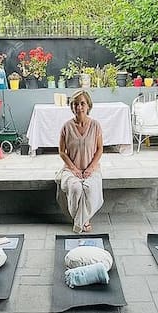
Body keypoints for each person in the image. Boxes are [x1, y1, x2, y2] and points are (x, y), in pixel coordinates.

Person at [56, 90, 104, 233]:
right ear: (72, 107)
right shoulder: (66, 127)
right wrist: (74, 169)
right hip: (71, 169)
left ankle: (80, 222)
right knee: (76, 188)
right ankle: (84, 221)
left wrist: (90, 168)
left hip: (92, 168)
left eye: (82, 103)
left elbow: (100, 149)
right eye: (76, 104)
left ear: (88, 105)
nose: (79, 107)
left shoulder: (95, 126)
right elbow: (61, 152)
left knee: (89, 189)